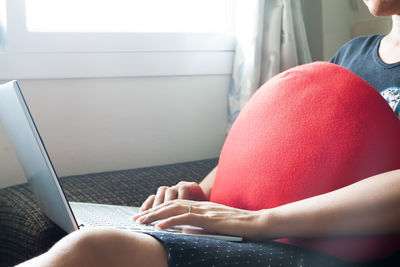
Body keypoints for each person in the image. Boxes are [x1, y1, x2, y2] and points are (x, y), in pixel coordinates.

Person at [17, 1, 400, 266]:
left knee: (96, 250)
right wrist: (200, 196)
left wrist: (257, 222)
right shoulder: (350, 56)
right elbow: (280, 144)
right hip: (273, 234)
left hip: (347, 254)